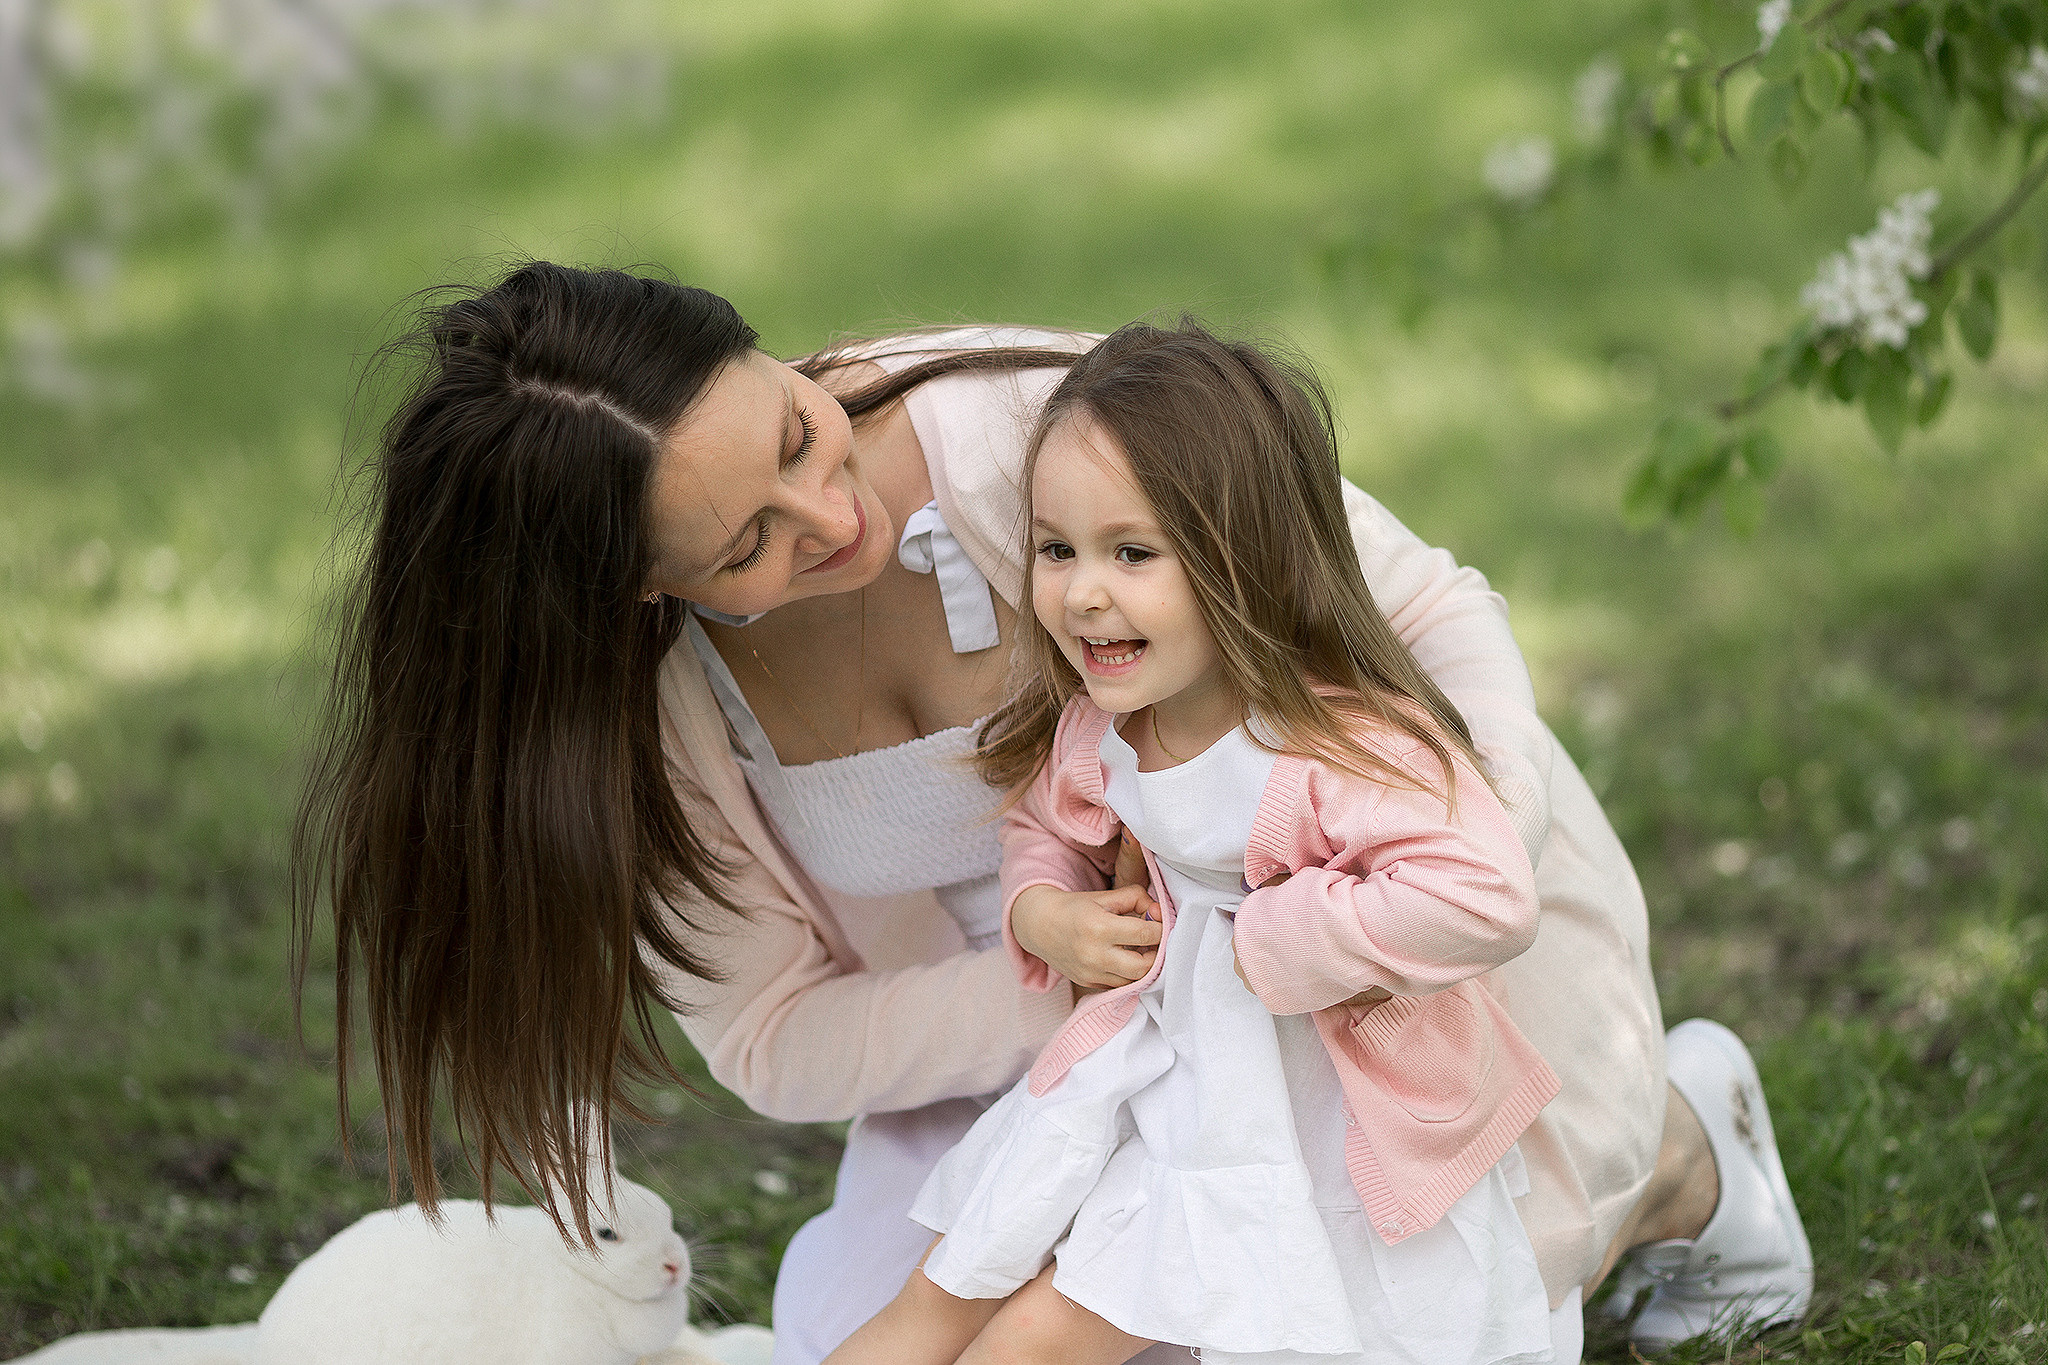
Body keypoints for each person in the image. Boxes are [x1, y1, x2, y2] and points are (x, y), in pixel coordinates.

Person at [295, 262, 1811, 1364]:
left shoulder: (1046, 430)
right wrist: (1062, 981)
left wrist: (1451, 850)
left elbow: (1432, 609)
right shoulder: (645, 716)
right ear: (640, 589)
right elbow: (772, 1035)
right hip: (1047, 1052)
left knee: (1335, 1310)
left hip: (1364, 979)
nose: (833, 520)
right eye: (748, 541)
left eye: (794, 435)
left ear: (758, 350)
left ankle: (1685, 1154)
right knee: (894, 1330)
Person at [821, 320, 1565, 1365]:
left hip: (1306, 1119)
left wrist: (1278, 936)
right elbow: (1039, 831)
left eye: (1131, 553)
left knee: (1074, 1329)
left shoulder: (1333, 749)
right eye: (1055, 549)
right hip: (1163, 1089)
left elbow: (1483, 895)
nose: (1082, 592)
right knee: (963, 1293)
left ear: (1244, 558)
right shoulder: (1102, 730)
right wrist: (1045, 913)